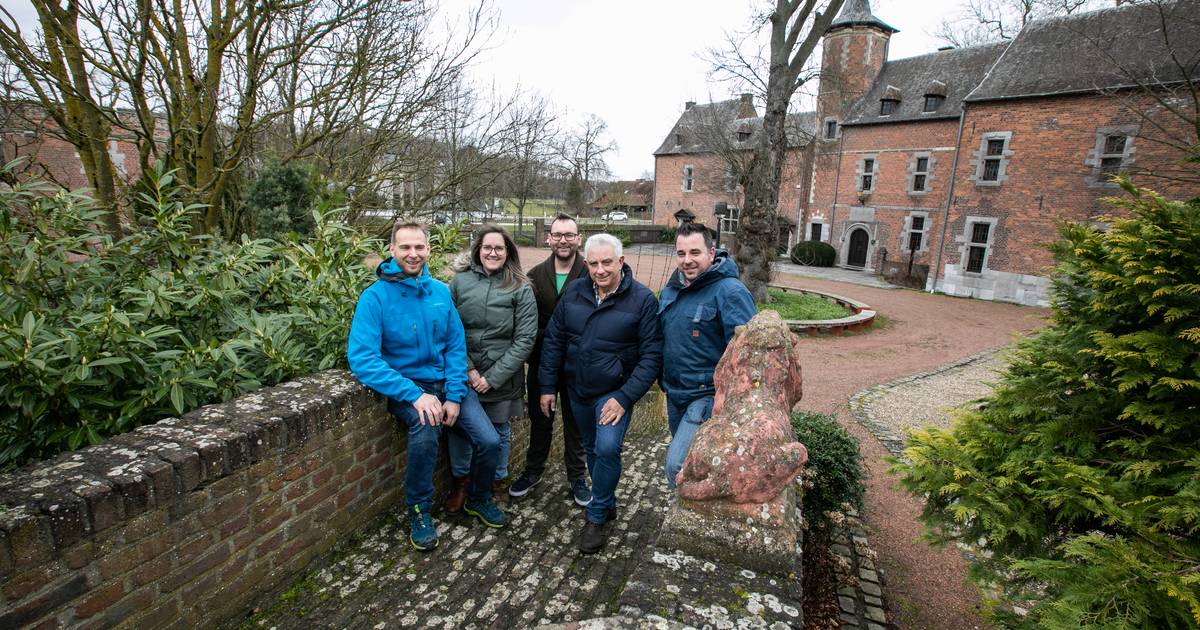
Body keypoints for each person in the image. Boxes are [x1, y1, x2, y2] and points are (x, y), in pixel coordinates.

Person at [347, 221, 507, 552]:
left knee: (490, 441)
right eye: (405, 247)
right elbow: (362, 358)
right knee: (426, 429)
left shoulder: (439, 291)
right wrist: (415, 395)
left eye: (419, 247)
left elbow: (454, 345)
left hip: (448, 385)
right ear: (391, 250)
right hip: (408, 386)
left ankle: (477, 498)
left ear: (428, 250)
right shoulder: (374, 298)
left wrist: (453, 395)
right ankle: (418, 510)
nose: (413, 253)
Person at [539, 233, 663, 554]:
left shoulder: (643, 300)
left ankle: (595, 516)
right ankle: (607, 501)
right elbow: (554, 342)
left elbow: (651, 357)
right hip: (578, 389)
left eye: (607, 262)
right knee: (592, 449)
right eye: (593, 263)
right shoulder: (574, 293)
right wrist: (547, 386)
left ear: (620, 261)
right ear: (586, 264)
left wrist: (624, 397)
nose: (600, 269)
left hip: (613, 393)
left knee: (607, 448)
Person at [444, 225, 538, 512]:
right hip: (464, 373)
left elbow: (525, 338)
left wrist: (493, 377)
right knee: (459, 430)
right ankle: (462, 483)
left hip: (502, 378)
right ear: (478, 250)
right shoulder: (459, 283)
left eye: (499, 248)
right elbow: (450, 329)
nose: (493, 253)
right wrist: (469, 370)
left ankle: (495, 483)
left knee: (499, 432)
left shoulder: (521, 287)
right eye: (487, 247)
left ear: (508, 252)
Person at [658, 222, 756, 491]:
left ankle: (682, 519)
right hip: (675, 394)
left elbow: (746, 354)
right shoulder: (672, 290)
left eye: (695, 253)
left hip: (705, 397)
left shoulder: (730, 292)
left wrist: (725, 399)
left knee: (677, 466)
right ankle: (684, 507)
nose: (687, 261)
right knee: (693, 464)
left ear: (711, 254)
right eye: (681, 254)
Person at [508, 214, 592, 507]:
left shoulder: (590, 273)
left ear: (578, 238)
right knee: (540, 420)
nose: (563, 241)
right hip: (543, 362)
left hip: (579, 365)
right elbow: (525, 325)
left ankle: (577, 477)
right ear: (548, 238)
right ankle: (533, 471)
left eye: (569, 235)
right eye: (557, 235)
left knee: (576, 422)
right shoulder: (533, 276)